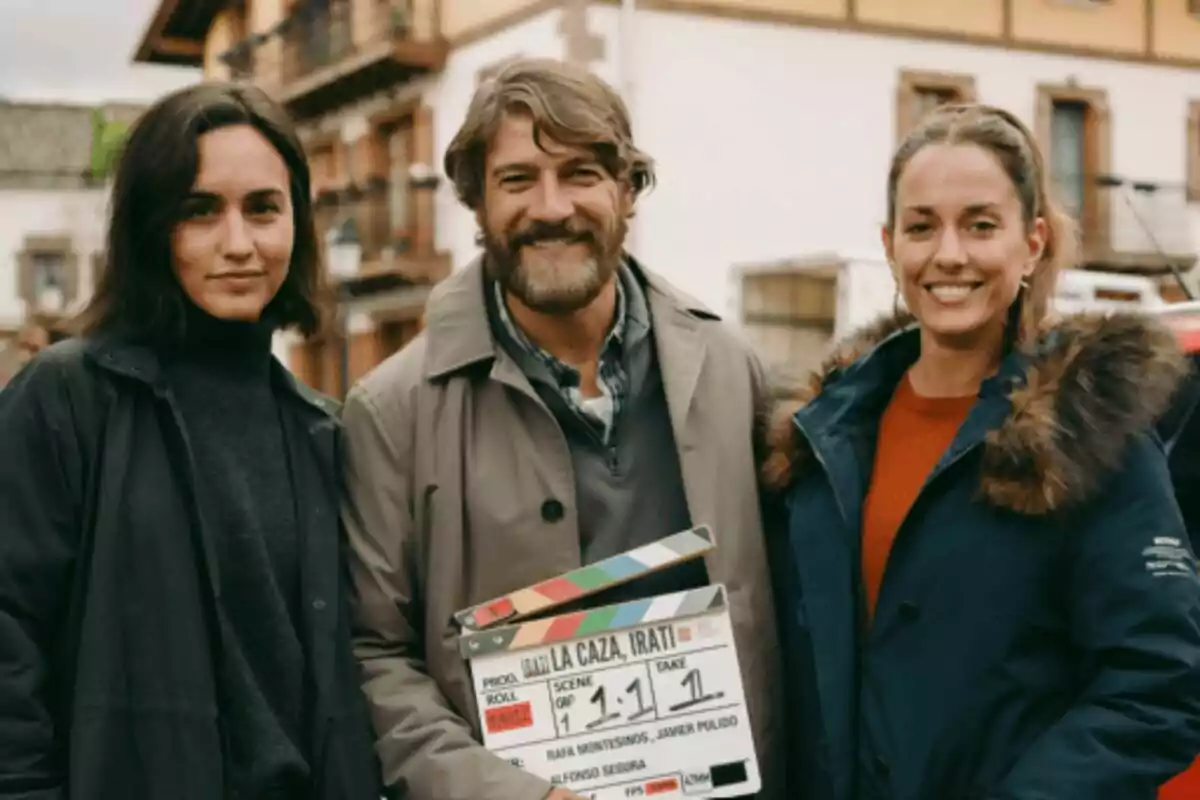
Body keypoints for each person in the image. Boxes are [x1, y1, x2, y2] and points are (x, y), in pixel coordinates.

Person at [341, 57, 785, 800]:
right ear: (477, 202)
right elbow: (373, 654)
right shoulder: (392, 410)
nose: (551, 207)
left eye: (580, 173)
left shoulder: (733, 371)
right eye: (518, 180)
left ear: (626, 192)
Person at [761, 102, 1200, 799]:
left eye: (981, 225)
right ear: (889, 243)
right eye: (922, 226)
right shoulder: (824, 442)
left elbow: (1161, 689)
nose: (949, 255)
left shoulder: (1089, 436)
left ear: (1031, 244)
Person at [0, 82, 381, 799]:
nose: (237, 244)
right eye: (199, 210)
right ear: (150, 226)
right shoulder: (67, 398)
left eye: (263, 209)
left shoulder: (320, 432)